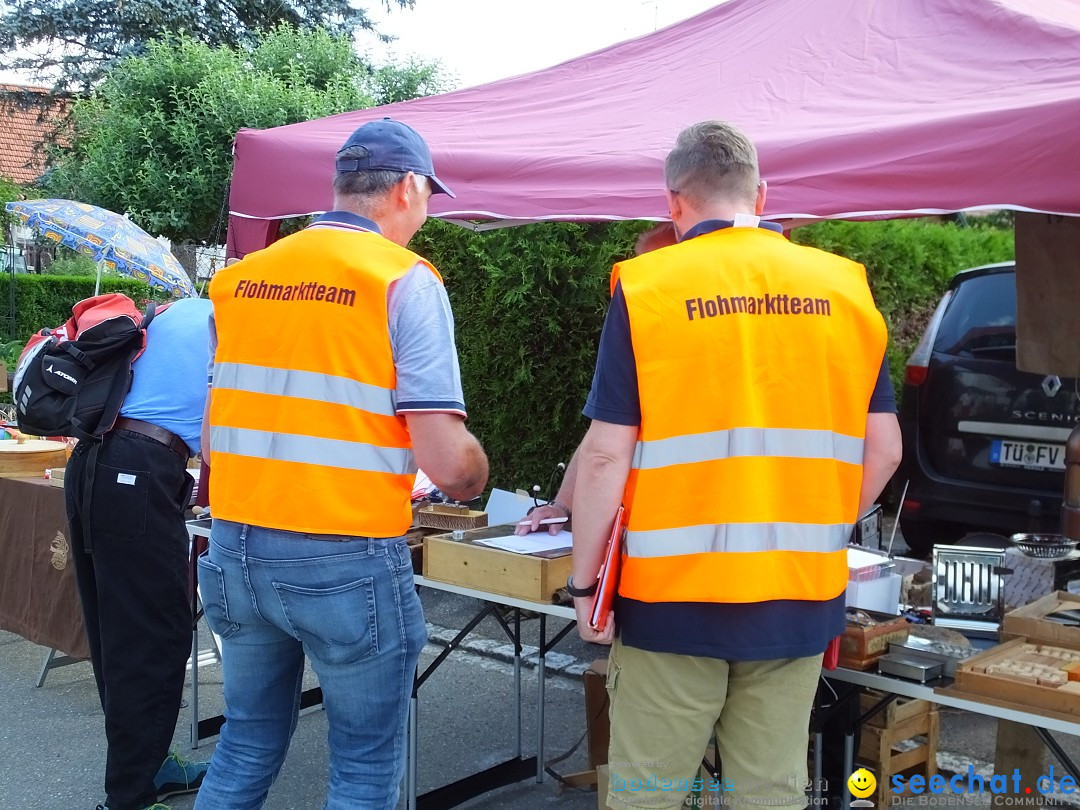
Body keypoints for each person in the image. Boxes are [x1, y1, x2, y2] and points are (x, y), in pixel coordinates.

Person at [568, 121, 902, 810]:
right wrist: (815, 528)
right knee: (768, 791)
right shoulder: (844, 288)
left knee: (648, 794)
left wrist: (583, 586)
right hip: (797, 596)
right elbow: (886, 447)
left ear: (674, 202)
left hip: (672, 602)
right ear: (762, 193)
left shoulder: (650, 286)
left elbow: (605, 454)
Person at [194, 117, 489, 810]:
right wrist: (476, 476)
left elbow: (212, 443)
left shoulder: (243, 279)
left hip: (235, 549)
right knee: (361, 768)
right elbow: (448, 466)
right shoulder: (403, 280)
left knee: (243, 745)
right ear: (409, 188)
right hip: (344, 560)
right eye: (427, 197)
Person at [66, 296, 214, 810]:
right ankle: (129, 795)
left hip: (92, 461)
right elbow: (220, 440)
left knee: (117, 632)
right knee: (154, 636)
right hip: (140, 467)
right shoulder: (237, 322)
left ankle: (148, 767)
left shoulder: (176, 310)